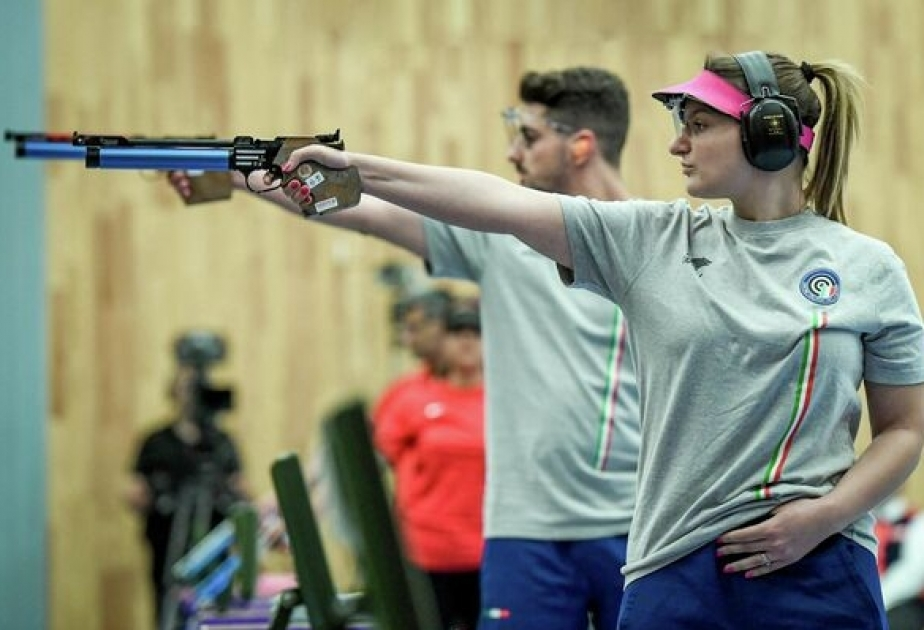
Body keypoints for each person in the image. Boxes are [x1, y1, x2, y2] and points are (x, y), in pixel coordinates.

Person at [280, 50, 924, 629]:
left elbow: (905, 429)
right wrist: (355, 168)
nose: (677, 144)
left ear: (769, 133)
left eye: (699, 126)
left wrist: (823, 517)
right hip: (675, 568)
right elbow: (495, 201)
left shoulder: (868, 268)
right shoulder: (654, 241)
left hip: (820, 565)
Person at [170, 66, 641, 630]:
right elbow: (364, 210)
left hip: (635, 526)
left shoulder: (652, 241)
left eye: (529, 137)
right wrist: (231, 172)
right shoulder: (501, 239)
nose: (513, 152)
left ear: (581, 145)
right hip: (525, 531)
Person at [375, 303, 486, 630]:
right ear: (443, 341)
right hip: (426, 551)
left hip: (488, 549)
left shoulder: (502, 399)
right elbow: (381, 455)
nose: (467, 342)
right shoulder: (411, 397)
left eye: (475, 334)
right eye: (458, 333)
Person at [126, 338, 247, 627]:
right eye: (188, 389)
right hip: (167, 543)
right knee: (167, 605)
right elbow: (135, 493)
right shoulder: (156, 442)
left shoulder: (222, 443)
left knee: (215, 608)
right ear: (174, 391)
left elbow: (241, 490)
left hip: (214, 546)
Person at [873, 491, 924, 630]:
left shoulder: (916, 520)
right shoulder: (854, 521)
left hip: (899, 603)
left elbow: (913, 573)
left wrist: (875, 601)